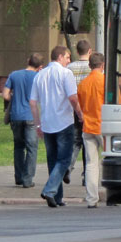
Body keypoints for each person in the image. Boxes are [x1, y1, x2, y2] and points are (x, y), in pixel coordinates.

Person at [29, 45, 84, 207]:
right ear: (60, 57)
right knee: (64, 159)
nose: (69, 60)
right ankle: (49, 190)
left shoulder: (40, 75)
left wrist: (37, 124)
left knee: (53, 160)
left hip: (46, 123)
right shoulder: (66, 74)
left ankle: (57, 197)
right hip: (64, 122)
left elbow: (32, 103)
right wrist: (80, 114)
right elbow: (73, 98)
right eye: (67, 57)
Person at [3, 53, 43, 188]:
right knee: (32, 148)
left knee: (18, 147)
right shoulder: (39, 77)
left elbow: (5, 94)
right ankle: (28, 179)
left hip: (16, 115)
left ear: (28, 60)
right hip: (31, 116)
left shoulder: (14, 75)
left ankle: (19, 177)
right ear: (40, 66)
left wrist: (14, 98)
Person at [76, 52, 105, 208]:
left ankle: (91, 198)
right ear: (102, 65)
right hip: (104, 126)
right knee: (108, 160)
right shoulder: (106, 82)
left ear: (89, 66)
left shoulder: (83, 84)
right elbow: (117, 103)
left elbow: (79, 106)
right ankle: (111, 193)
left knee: (91, 164)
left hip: (87, 126)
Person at [65, 39, 93, 185]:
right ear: (90, 51)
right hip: (89, 109)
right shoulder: (92, 69)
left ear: (77, 52)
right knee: (88, 143)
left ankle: (68, 168)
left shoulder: (69, 67)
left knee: (75, 141)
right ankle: (86, 175)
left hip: (73, 109)